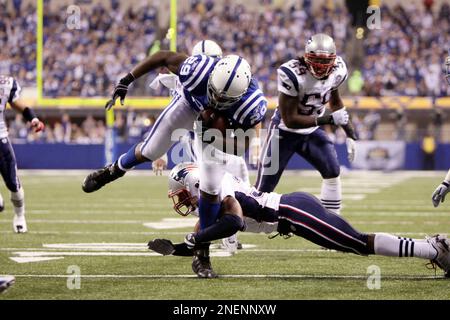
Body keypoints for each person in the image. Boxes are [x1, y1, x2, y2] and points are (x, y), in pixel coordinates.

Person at [82, 49, 267, 275]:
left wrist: (214, 136)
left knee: (211, 187)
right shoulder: (198, 71)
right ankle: (114, 170)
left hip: (218, 134)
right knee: (151, 150)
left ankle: (202, 255)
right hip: (190, 106)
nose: (217, 100)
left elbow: (241, 147)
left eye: (224, 99)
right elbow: (162, 56)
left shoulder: (251, 104)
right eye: (215, 93)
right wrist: (127, 79)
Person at [149, 163, 450, 278]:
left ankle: (434, 248)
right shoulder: (211, 190)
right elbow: (203, 234)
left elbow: (233, 224)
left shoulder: (218, 190)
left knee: (358, 243)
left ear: (195, 186)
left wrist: (195, 240)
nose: (185, 202)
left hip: (291, 213)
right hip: (292, 210)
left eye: (184, 196)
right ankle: (434, 248)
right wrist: (177, 248)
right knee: (356, 243)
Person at [255, 33, 357, 215]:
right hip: (284, 132)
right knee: (262, 191)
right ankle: (232, 229)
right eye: (316, 60)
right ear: (306, 57)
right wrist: (329, 119)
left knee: (333, 173)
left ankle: (332, 227)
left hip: (311, 130)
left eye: (325, 61)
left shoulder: (338, 70)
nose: (321, 66)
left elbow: (335, 102)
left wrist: (350, 133)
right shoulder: (292, 73)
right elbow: (290, 119)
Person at [0, 75, 45, 233]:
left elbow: (18, 105)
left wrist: (33, 119)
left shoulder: (5, 83)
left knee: (13, 183)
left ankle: (20, 216)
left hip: (1, 140)